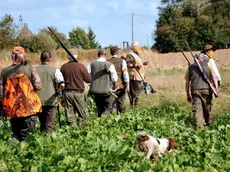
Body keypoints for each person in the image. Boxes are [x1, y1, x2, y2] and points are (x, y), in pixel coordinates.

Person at [0, 46, 42, 142]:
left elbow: (1, 93)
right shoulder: (29, 67)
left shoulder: (4, 72)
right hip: (28, 107)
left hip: (13, 109)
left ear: (12, 56)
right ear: (23, 56)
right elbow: (38, 86)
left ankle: (12, 153)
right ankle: (25, 153)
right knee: (27, 135)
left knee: (16, 134)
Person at [185, 53, 218, 129]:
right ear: (203, 59)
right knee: (207, 108)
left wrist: (188, 95)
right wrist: (216, 89)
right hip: (207, 90)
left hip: (195, 90)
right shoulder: (209, 64)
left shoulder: (190, 67)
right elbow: (214, 77)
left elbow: (187, 83)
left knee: (197, 110)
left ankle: (199, 128)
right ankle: (209, 124)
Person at [36, 51, 65, 132]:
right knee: (49, 125)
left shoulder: (34, 70)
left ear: (40, 59)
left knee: (42, 124)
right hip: (51, 101)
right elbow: (62, 84)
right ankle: (48, 142)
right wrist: (59, 93)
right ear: (50, 59)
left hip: (38, 101)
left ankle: (41, 141)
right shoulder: (55, 70)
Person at [60, 50, 91, 126]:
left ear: (68, 57)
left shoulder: (63, 67)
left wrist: (61, 95)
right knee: (83, 114)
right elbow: (88, 80)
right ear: (76, 56)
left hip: (67, 93)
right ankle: (82, 129)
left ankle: (71, 130)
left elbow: (60, 82)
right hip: (78, 93)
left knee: (69, 115)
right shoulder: (81, 66)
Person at [88, 49, 118, 117]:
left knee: (99, 108)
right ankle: (104, 120)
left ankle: (99, 120)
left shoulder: (91, 64)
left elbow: (88, 77)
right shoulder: (109, 64)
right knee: (108, 107)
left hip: (94, 91)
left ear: (98, 55)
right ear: (105, 55)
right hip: (106, 91)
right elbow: (114, 78)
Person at [126, 41, 149, 108]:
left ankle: (134, 106)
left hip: (139, 76)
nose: (139, 48)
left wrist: (143, 64)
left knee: (138, 92)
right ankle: (134, 106)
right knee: (135, 92)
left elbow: (136, 63)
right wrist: (135, 65)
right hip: (134, 76)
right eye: (138, 46)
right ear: (134, 47)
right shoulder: (130, 55)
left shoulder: (136, 54)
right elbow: (127, 64)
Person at [107, 46, 129, 113]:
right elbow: (125, 73)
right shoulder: (122, 61)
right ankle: (122, 118)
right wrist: (127, 83)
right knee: (120, 102)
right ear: (117, 52)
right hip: (120, 85)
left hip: (110, 85)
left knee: (110, 103)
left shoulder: (107, 61)